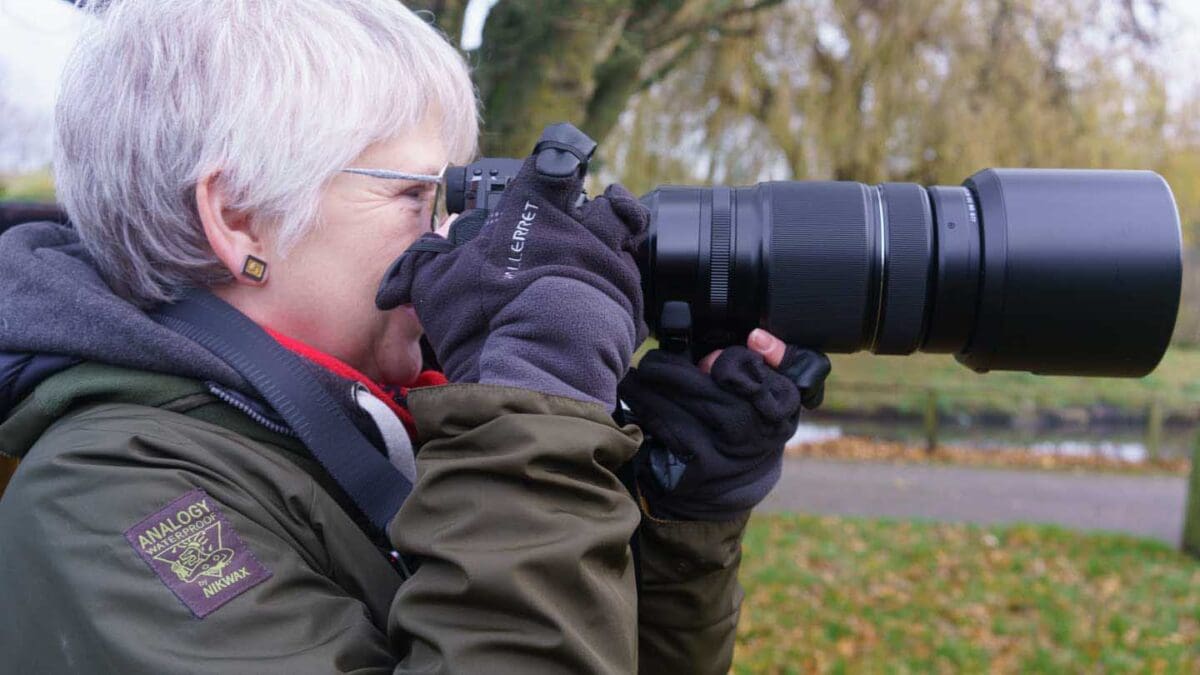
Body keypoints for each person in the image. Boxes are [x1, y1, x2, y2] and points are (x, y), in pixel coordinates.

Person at [0, 1, 829, 673]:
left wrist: (673, 512)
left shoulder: (360, 427)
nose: (453, 237)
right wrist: (536, 393)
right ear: (240, 217)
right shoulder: (113, 499)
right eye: (416, 198)